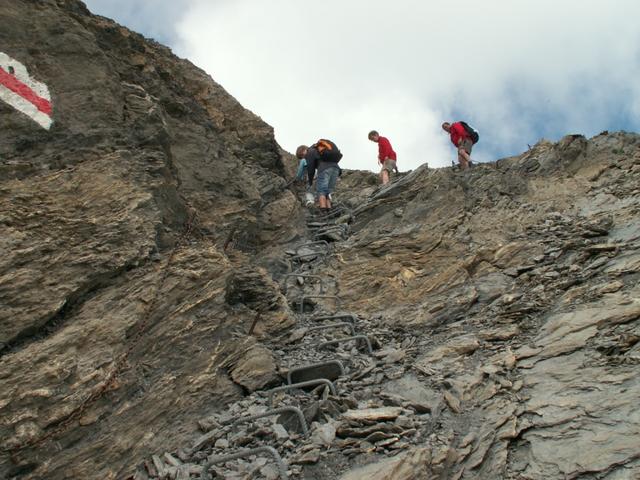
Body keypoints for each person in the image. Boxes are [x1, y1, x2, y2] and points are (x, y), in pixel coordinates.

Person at [296, 140, 342, 210]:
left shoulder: (309, 152)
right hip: (336, 168)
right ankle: (329, 210)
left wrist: (310, 182)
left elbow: (311, 169)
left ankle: (323, 210)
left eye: (302, 156)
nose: (303, 157)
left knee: (321, 191)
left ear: (303, 151)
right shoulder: (318, 151)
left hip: (324, 170)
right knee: (327, 191)